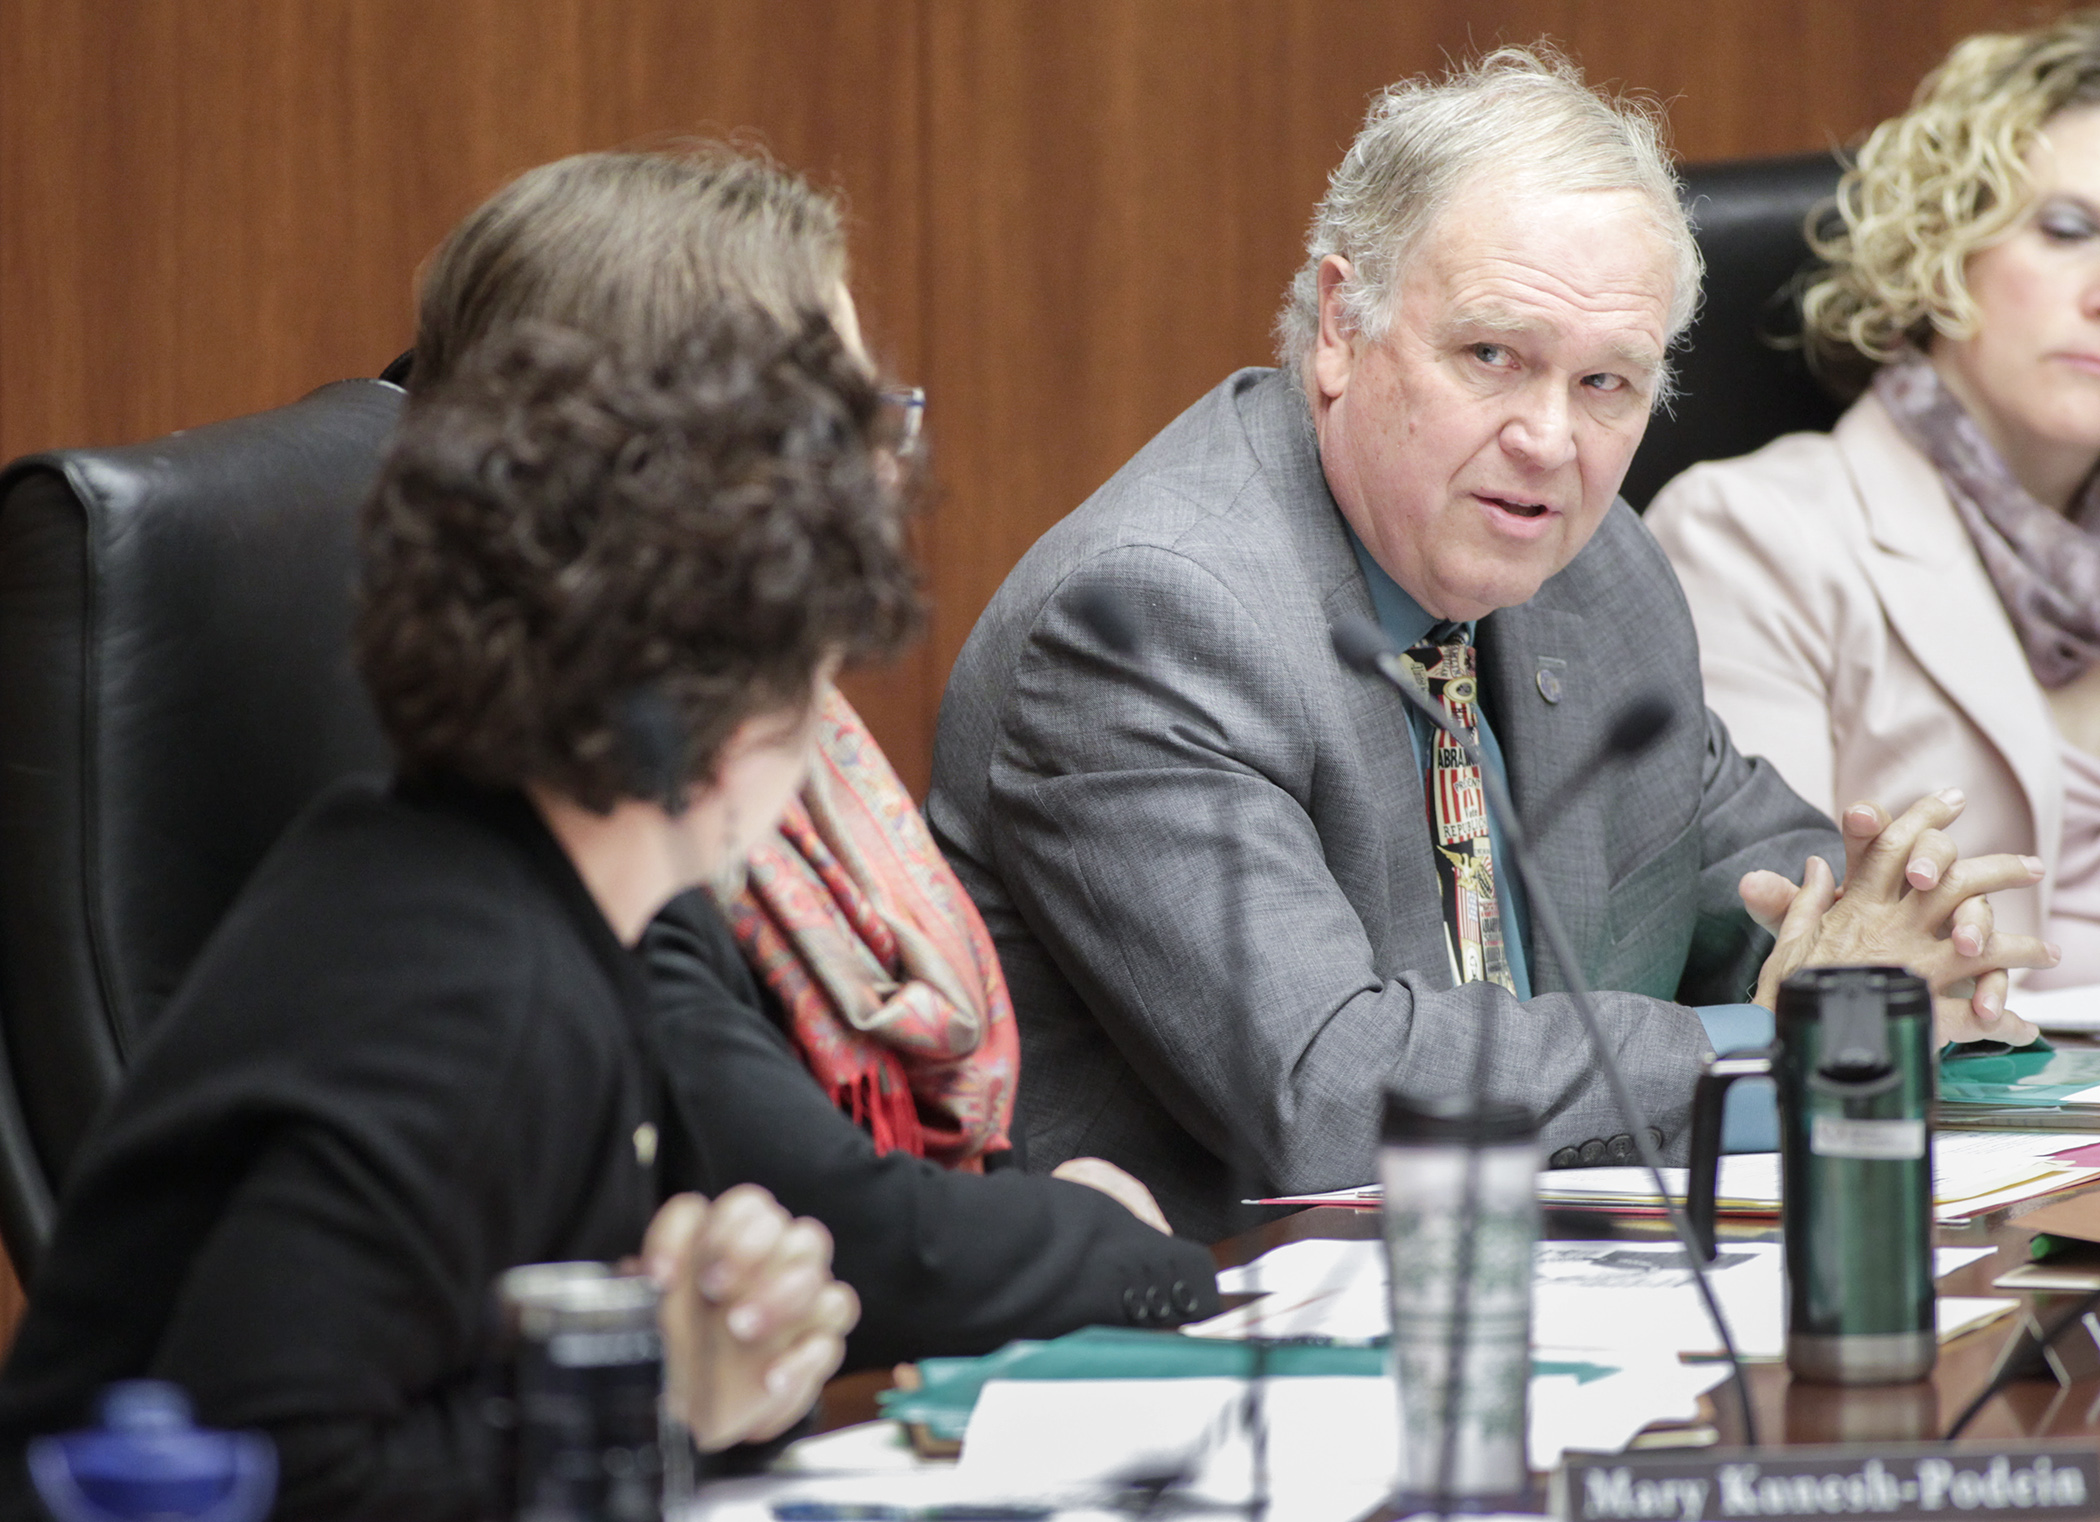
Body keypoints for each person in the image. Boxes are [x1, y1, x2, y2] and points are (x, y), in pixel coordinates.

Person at [927, 46, 2056, 1241]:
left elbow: (1738, 860)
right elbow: (1333, 1085)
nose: (1548, 440)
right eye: (1491, 357)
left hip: (1551, 1282)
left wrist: (1897, 938)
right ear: (1338, 329)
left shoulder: (1593, 566)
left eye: (1608, 383)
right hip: (1226, 1332)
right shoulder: (1155, 617)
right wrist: (1783, 1045)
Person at [0, 311, 889, 1518]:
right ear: (727, 730)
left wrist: (663, 1327)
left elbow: (432, 1369)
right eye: (815, 683)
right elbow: (272, 1472)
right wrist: (658, 1392)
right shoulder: (477, 993)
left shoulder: (466, 882)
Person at [405, 148, 1218, 1365]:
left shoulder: (795, 760)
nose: (888, 469)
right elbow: (853, 1234)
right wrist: (1109, 1240)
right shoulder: (577, 823)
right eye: (841, 423)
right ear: (672, 470)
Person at [1648, 14, 2100, 994]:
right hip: (1940, 1121)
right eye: (2068, 231)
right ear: (1943, 241)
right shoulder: (1750, 535)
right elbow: (1781, 950)